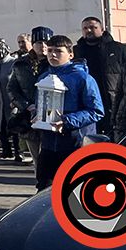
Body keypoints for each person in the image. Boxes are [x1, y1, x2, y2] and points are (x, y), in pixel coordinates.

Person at [35, 35, 104, 190]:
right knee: (44, 189)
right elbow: (40, 104)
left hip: (75, 143)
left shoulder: (83, 78)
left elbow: (96, 111)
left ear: (70, 55)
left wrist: (66, 121)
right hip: (48, 144)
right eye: (50, 50)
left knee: (73, 190)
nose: (52, 55)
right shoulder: (44, 77)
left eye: (58, 51)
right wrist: (37, 116)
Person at [75, 17, 126, 138]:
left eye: (93, 27)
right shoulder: (76, 51)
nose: (89, 30)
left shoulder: (120, 49)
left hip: (113, 102)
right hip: (87, 105)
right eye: (85, 28)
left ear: (102, 29)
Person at [7, 27, 52, 175]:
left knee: (51, 157)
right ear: (33, 44)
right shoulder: (21, 64)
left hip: (52, 116)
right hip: (29, 118)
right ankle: (41, 187)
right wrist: (26, 106)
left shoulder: (55, 63)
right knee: (37, 158)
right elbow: (12, 88)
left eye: (46, 42)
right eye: (39, 42)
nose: (43, 46)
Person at [0, 43, 18, 161]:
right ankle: (6, 150)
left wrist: (15, 99)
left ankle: (18, 152)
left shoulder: (13, 63)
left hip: (10, 99)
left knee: (14, 126)